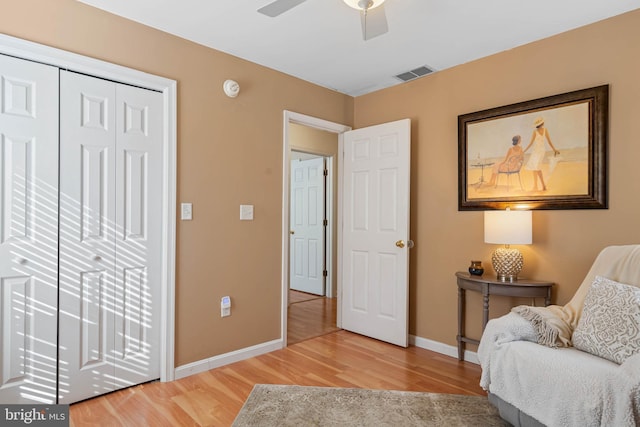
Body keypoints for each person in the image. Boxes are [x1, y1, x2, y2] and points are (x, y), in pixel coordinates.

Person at [523, 117, 559, 191]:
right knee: (534, 167)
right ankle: (536, 186)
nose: (543, 123)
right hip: (536, 151)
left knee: (537, 168)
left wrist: (554, 149)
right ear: (541, 123)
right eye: (543, 122)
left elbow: (549, 141)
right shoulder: (535, 131)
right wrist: (524, 151)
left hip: (540, 151)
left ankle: (543, 186)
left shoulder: (544, 130)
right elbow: (531, 143)